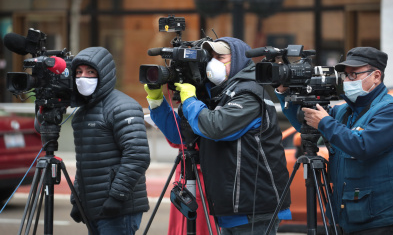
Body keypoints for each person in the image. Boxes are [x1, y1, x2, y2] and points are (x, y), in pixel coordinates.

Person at [145, 37, 291, 234]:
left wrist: (190, 100)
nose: (213, 62)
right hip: (231, 204)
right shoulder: (218, 94)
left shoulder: (249, 94)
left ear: (238, 59)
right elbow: (181, 135)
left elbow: (215, 127)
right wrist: (156, 101)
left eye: (220, 57)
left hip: (254, 206)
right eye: (210, 57)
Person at [276, 47, 393, 234]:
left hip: (382, 219)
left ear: (376, 76)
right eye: (345, 75)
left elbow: (362, 145)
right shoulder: (343, 110)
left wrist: (325, 122)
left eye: (354, 75)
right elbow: (305, 124)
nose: (347, 81)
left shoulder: (391, 111)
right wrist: (284, 92)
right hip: (347, 216)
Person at [69, 47, 150, 235]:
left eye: (90, 72)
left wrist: (117, 196)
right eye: (79, 72)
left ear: (103, 74)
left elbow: (137, 156)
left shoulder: (123, 107)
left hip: (118, 210)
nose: (83, 77)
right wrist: (77, 199)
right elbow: (85, 163)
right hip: (94, 208)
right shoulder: (82, 113)